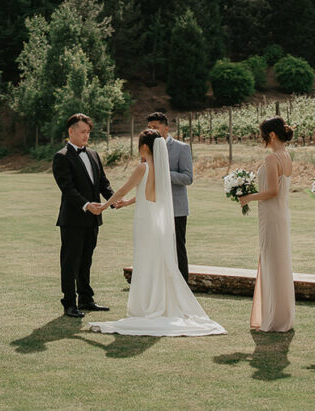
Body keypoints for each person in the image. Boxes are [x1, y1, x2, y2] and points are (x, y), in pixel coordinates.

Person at [88, 130, 225, 337]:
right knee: (155, 261)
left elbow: (123, 189)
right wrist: (128, 202)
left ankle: (146, 305)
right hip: (155, 221)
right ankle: (156, 302)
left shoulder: (142, 167)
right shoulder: (160, 168)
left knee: (146, 261)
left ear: (144, 147)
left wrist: (106, 205)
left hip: (144, 222)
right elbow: (147, 193)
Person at [53, 113, 115, 318]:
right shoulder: (61, 157)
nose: (86, 136)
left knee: (86, 260)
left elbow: (103, 183)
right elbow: (67, 188)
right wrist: (87, 205)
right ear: (71, 132)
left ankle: (86, 299)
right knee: (70, 261)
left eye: (88, 132)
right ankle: (69, 303)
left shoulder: (94, 154)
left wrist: (113, 199)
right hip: (72, 219)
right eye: (82, 132)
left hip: (92, 219)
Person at [238, 116, 295, 332]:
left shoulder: (272, 159)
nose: (263, 140)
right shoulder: (286, 156)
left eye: (263, 136)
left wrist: (248, 198)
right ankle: (280, 313)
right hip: (280, 215)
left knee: (273, 262)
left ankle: (275, 317)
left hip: (272, 216)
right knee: (278, 263)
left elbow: (273, 191)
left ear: (271, 135)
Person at [145, 111, 193, 283]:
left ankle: (183, 288)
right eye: (149, 128)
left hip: (176, 208)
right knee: (156, 248)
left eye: (155, 127)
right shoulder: (146, 149)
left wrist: (164, 173)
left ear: (166, 128)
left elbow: (188, 178)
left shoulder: (182, 148)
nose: (152, 131)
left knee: (177, 249)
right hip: (154, 206)